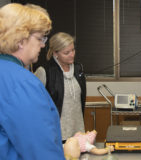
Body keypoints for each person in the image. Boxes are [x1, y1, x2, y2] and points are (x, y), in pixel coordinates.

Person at [0, 3, 65, 159]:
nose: (43, 44)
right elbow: (41, 151)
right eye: (39, 38)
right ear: (21, 40)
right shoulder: (22, 83)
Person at [34, 32, 86, 141]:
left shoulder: (78, 69)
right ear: (55, 53)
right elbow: (35, 106)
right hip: (56, 134)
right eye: (66, 52)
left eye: (73, 50)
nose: (72, 54)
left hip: (78, 132)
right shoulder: (44, 71)